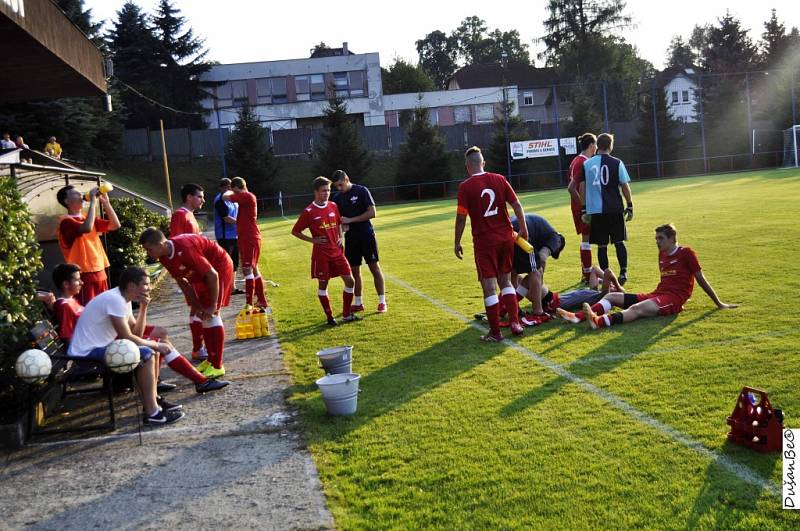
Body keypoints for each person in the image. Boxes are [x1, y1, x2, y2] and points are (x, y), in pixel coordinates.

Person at [68, 268, 227, 426]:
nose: (149, 288)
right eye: (145, 284)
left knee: (154, 346)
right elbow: (127, 337)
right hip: (86, 356)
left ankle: (156, 400)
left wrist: (144, 308)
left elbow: (135, 331)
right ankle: (152, 413)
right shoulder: (115, 300)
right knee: (147, 353)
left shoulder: (123, 298)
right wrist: (155, 344)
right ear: (131, 285)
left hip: (99, 349)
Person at [558, 223, 737, 329]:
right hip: (659, 294)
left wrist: (718, 303)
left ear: (672, 238)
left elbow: (700, 279)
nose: (657, 242)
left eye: (661, 238)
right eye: (656, 238)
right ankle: (578, 317)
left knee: (637, 309)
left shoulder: (686, 253)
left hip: (673, 299)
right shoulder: (662, 255)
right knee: (611, 296)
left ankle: (599, 322)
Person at [454, 146, 527, 342]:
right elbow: (517, 205)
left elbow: (461, 218)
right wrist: (523, 228)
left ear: (468, 167)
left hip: (485, 242)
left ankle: (495, 332)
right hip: (505, 238)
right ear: (483, 163)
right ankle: (515, 323)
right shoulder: (499, 179)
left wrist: (457, 242)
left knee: (489, 287)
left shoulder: (465, 187)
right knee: (506, 282)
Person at [140, 229, 234, 379]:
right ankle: (210, 360)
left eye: (149, 249)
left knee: (212, 314)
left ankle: (217, 365)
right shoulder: (164, 256)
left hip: (218, 268)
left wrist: (213, 305)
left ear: (161, 244)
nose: (148, 253)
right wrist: (196, 305)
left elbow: (212, 275)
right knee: (203, 315)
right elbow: (181, 281)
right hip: (202, 275)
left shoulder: (185, 248)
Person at [291, 176, 357, 326]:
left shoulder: (333, 205)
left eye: (328, 190)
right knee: (323, 285)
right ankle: (329, 317)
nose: (326, 193)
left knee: (350, 281)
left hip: (337, 251)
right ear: (315, 192)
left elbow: (339, 223)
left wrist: (340, 237)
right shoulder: (309, 211)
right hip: (321, 254)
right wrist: (312, 240)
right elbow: (295, 231)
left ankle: (346, 314)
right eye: (323, 191)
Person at [579, 133, 633, 285]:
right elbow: (624, 185)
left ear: (598, 146)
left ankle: (606, 274)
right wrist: (629, 205)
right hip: (615, 209)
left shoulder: (587, 164)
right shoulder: (617, 162)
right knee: (619, 242)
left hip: (596, 211)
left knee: (601, 246)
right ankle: (623, 272)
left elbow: (582, 187)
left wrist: (584, 209)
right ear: (610, 145)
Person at [331, 169, 387, 314]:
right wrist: (340, 233)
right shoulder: (336, 198)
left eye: (341, 185)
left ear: (347, 179)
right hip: (351, 239)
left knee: (374, 267)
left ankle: (382, 302)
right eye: (337, 186)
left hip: (366, 235)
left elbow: (372, 213)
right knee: (354, 271)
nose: (339, 188)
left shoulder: (362, 190)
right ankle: (358, 303)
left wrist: (351, 220)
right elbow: (337, 222)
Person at [56, 184, 120, 305]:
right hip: (82, 273)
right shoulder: (66, 222)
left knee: (104, 307)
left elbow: (115, 225)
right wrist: (92, 203)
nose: (81, 195)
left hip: (99, 268)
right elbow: (87, 228)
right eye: (76, 193)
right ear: (66, 201)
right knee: (89, 308)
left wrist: (106, 203)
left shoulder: (87, 217)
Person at [171, 183, 208, 361]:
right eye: (200, 196)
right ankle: (197, 348)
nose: (203, 200)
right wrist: (184, 271)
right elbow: (177, 243)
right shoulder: (179, 215)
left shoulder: (190, 215)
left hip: (197, 266)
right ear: (189, 197)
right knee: (197, 306)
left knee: (199, 306)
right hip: (191, 269)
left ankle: (199, 347)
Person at [509, 213, 566, 325]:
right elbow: (542, 259)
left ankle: (514, 309)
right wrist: (539, 285)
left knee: (513, 271)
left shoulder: (543, 231)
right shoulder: (556, 239)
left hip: (509, 231)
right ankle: (538, 311)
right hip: (522, 233)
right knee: (536, 270)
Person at [222, 177, 269, 309]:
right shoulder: (245, 197)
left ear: (238, 188)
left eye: (235, 190)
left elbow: (225, 197)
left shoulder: (247, 196)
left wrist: (229, 190)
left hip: (250, 238)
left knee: (247, 269)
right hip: (246, 237)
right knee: (253, 269)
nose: (234, 194)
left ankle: (249, 303)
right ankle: (261, 301)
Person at [567, 133, 597, 283]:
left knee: (587, 240)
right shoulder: (582, 162)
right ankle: (587, 275)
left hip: (579, 206)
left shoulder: (576, 160)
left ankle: (586, 273)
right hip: (582, 207)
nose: (597, 147)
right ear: (591, 145)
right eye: (595, 144)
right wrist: (584, 207)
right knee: (586, 241)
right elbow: (572, 188)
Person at [213, 178, 241, 293]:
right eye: (226, 187)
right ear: (221, 188)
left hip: (235, 235)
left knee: (234, 263)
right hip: (224, 236)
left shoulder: (234, 200)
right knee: (226, 263)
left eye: (230, 187)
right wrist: (242, 222)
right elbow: (226, 218)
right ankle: (223, 289)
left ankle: (232, 288)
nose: (228, 190)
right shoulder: (220, 200)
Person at [52, 263, 84, 342]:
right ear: (66, 284)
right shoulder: (64, 306)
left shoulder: (72, 300)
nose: (81, 282)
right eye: (77, 280)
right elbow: (68, 337)